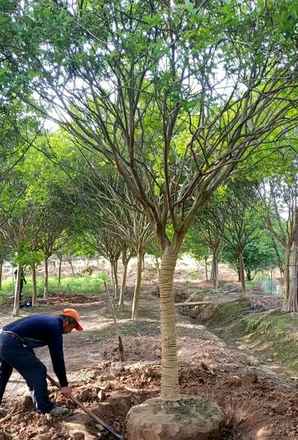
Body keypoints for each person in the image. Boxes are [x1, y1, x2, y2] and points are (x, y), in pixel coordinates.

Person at [0, 308, 83, 416]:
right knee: (39, 370)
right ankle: (45, 408)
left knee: (4, 374)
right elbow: (57, 357)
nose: (70, 331)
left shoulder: (49, 322)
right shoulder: (55, 327)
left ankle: (39, 401)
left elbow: (24, 341)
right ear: (67, 322)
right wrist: (64, 385)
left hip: (3, 338)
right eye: (72, 328)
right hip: (11, 342)